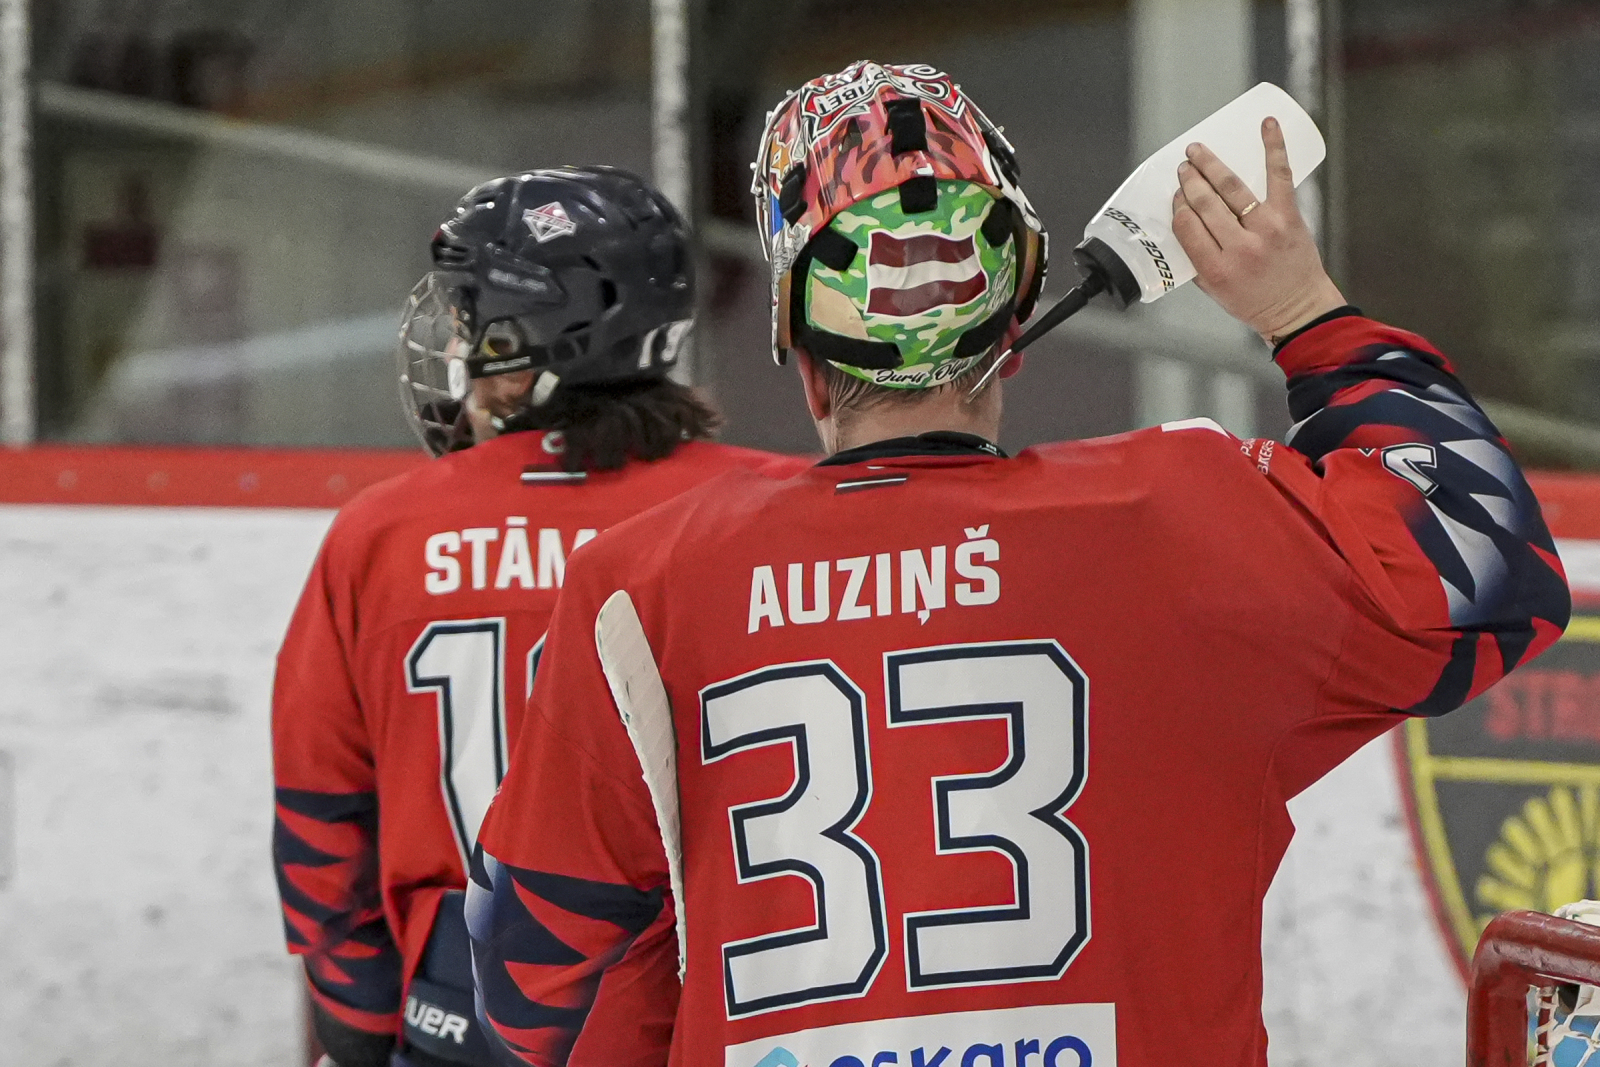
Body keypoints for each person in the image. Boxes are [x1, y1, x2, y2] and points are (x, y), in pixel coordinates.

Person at [467, 62, 1571, 1067]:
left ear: (802, 355)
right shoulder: (1185, 514)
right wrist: (1301, 311)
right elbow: (1491, 564)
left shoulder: (645, 580)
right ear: (1008, 333)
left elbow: (527, 980)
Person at [271, 166, 801, 1067]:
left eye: (476, 322)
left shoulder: (382, 534)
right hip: (708, 1007)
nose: (459, 348)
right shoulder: (771, 509)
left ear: (537, 343)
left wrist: (357, 1017)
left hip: (462, 1015)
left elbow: (321, 816)